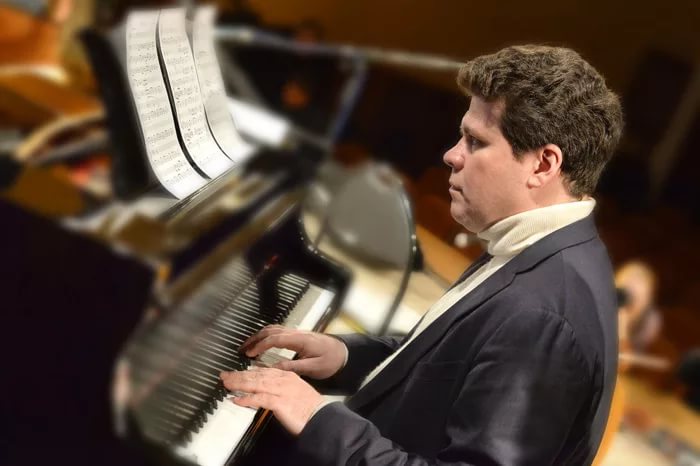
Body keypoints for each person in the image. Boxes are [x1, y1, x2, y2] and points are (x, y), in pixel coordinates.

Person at [220, 45, 624, 465]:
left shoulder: (544, 317)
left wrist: (317, 417)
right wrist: (346, 356)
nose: (452, 155)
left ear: (543, 165)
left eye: (476, 141)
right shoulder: (540, 247)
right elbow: (451, 363)